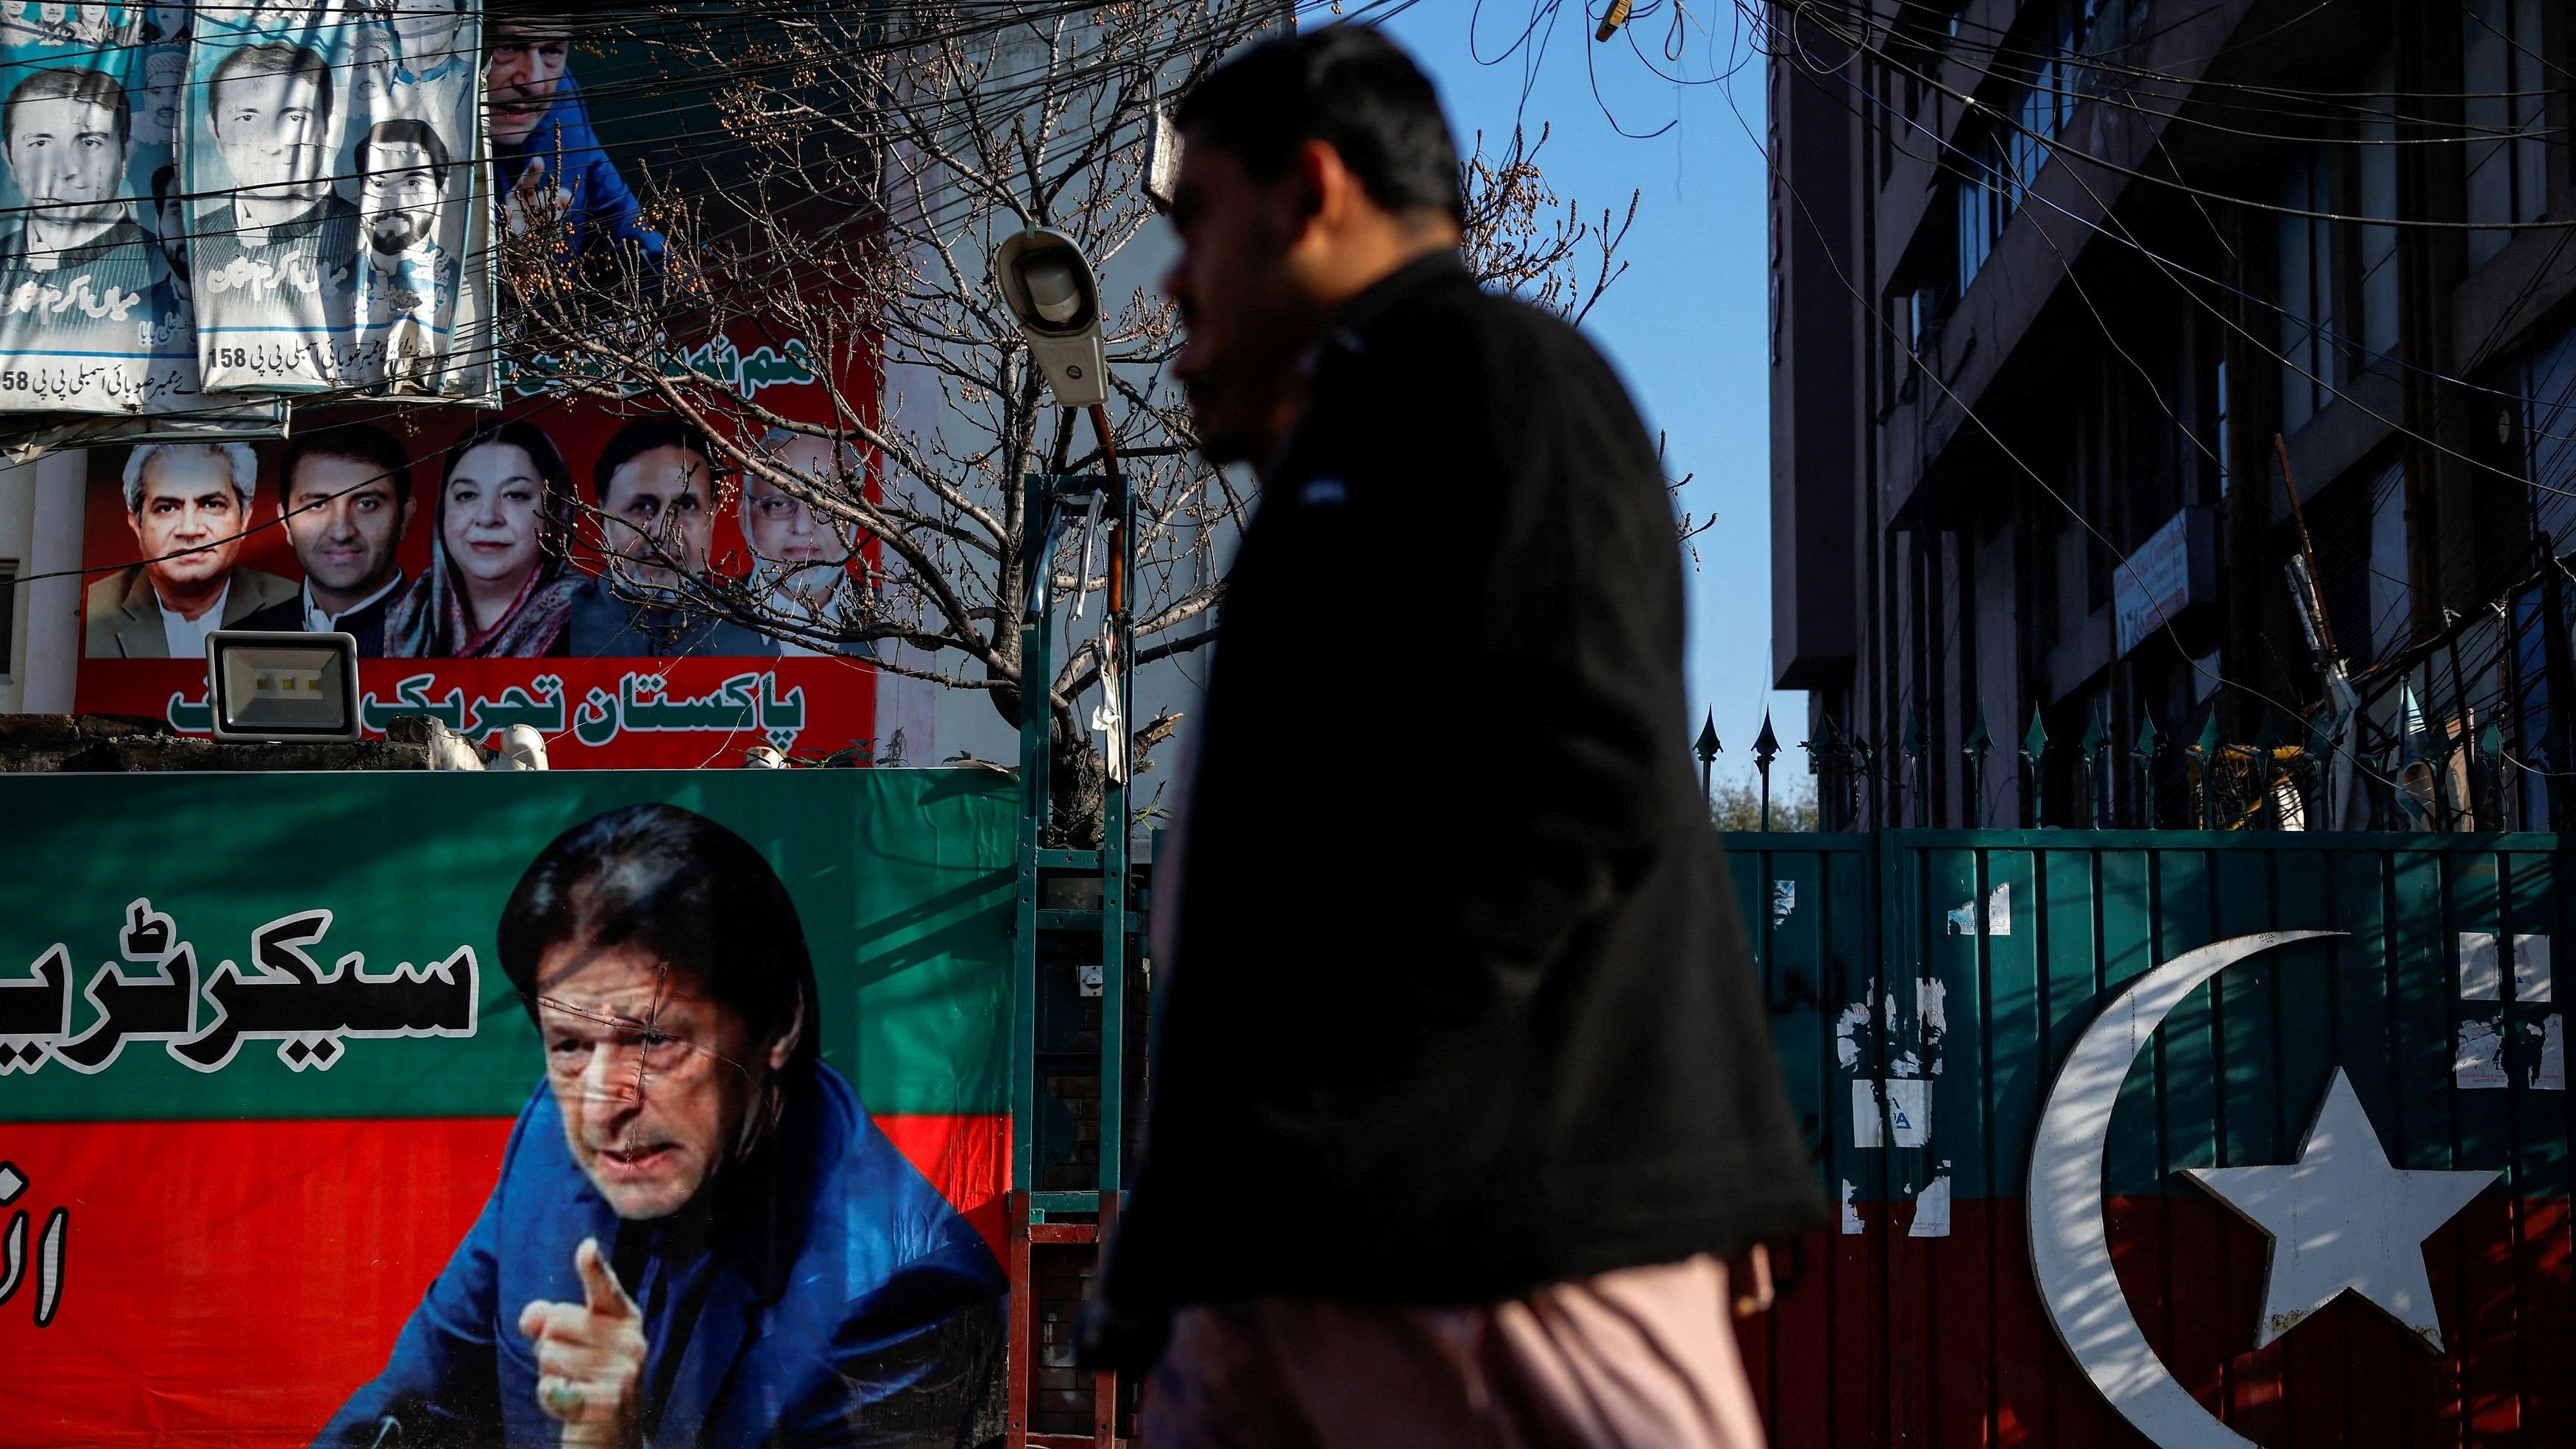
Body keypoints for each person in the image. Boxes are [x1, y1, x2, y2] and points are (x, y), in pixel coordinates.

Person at [1083, 29, 1824, 1448]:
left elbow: (1578, 781)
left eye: (1199, 223)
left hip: (1481, 1254)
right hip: (1324, 1257)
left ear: (1311, 191)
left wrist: (1323, 1111)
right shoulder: (1365, 437)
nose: (1174, 280)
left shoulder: (1490, 383)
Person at [316, 804, 1006, 1447]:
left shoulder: (911, 1300)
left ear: (778, 1023)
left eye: (652, 1039)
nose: (601, 1103)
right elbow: (404, 1405)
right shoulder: (550, 1139)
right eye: (570, 1045)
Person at [190, 43, 358, 362]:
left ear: (329, 126)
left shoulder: (365, 236)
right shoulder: (191, 245)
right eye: (247, 117)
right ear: (215, 131)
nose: (273, 143)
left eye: (295, 117)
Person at [566, 417, 776, 659]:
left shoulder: (760, 634)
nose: (664, 531)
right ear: (602, 516)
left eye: (686, 505)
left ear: (713, 516)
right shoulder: (554, 629)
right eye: (642, 506)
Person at [384, 417, 586, 657]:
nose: (488, 517)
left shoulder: (598, 620)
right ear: (442, 510)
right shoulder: (405, 618)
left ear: (554, 511)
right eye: (467, 495)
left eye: (515, 495)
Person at [0, 68, 163, 352]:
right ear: (10, 158)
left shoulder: (165, 270)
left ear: (126, 155)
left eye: (90, 143)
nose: (66, 170)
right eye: (40, 143)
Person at [84, 442, 295, 658]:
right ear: (137, 523)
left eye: (212, 505)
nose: (190, 529)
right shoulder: (90, 615)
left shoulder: (292, 604)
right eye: (167, 508)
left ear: (244, 518)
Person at [484, 20, 662, 272]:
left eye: (552, 50)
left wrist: (691, 287)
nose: (534, 84)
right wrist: (511, 264)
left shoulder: (563, 101)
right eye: (508, 47)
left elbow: (623, 221)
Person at [236, 424, 417, 652]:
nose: (341, 532)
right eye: (318, 505)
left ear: (404, 518)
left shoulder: (453, 642)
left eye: (366, 504)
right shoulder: (243, 643)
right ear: (285, 521)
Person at [353, 118, 454, 386]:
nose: (392, 202)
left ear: (441, 191)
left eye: (411, 183)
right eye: (378, 183)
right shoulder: (332, 280)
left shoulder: (462, 284)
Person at [742, 428, 859, 657]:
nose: (803, 528)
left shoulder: (892, 619)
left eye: (827, 506)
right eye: (778, 504)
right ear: (745, 515)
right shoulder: (696, 624)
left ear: (856, 516)